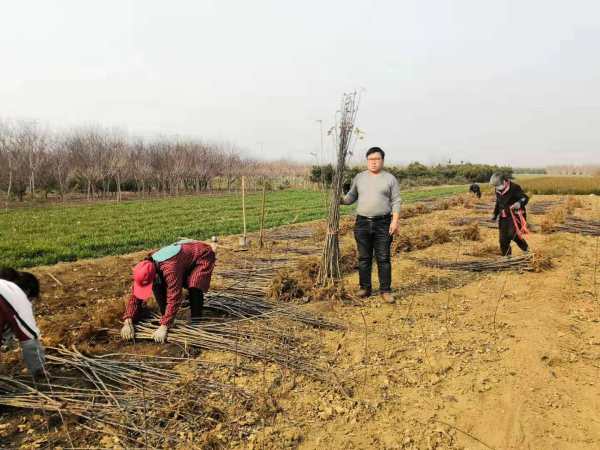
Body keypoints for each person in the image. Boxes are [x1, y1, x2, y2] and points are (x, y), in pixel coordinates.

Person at [120, 239, 216, 343]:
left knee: (194, 285)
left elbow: (174, 297)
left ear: (155, 275)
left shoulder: (170, 269)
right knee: (157, 286)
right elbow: (136, 296)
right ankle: (166, 316)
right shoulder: (144, 268)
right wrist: (128, 321)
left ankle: (196, 322)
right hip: (181, 259)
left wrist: (164, 326)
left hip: (201, 254)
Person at [341, 147, 401, 302]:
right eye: (370, 160)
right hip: (362, 223)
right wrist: (339, 199)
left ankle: (385, 291)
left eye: (377, 159)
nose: (373, 162)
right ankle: (365, 288)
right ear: (367, 161)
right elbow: (350, 197)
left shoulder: (390, 179)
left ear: (382, 160)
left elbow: (396, 201)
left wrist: (395, 221)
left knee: (383, 258)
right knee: (364, 258)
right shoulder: (359, 177)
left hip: (383, 223)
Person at [0, 268, 46, 377]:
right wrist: (38, 369)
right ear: (27, 292)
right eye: (31, 300)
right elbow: (30, 340)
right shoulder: (16, 296)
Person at [490, 173, 529, 256]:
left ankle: (525, 248)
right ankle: (507, 256)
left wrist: (519, 203)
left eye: (498, 185)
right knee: (503, 240)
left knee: (512, 234)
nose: (497, 188)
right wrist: (495, 214)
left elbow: (524, 198)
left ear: (504, 182)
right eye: (495, 186)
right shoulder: (497, 189)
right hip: (503, 217)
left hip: (514, 216)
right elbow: (498, 202)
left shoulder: (514, 187)